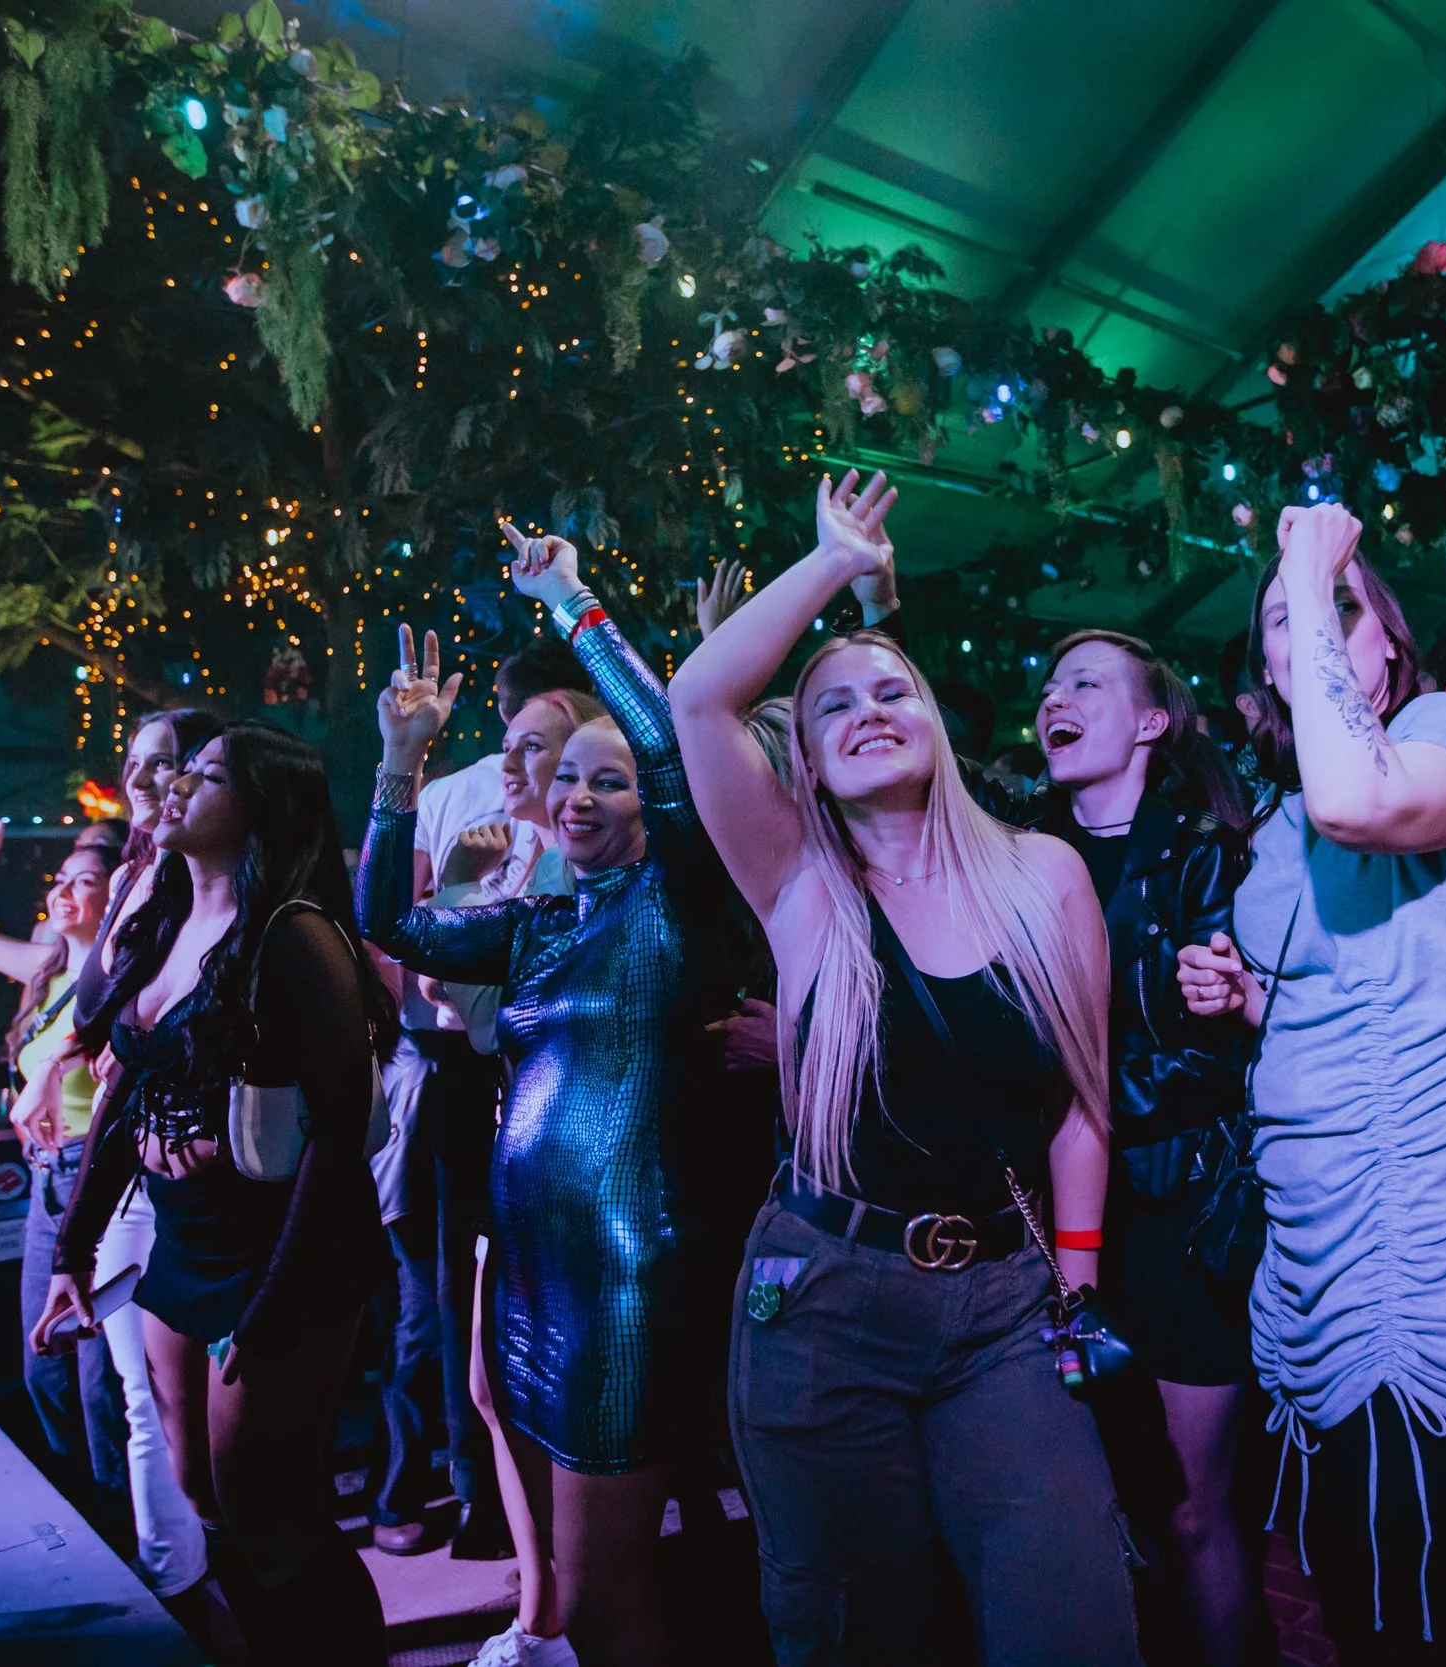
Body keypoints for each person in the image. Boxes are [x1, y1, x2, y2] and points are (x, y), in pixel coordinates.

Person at [669, 471, 1143, 1666]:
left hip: (1002, 1309)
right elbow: (696, 699)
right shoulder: (799, 882)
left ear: (933, 726)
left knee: (1073, 1613)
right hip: (825, 1300)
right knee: (853, 1633)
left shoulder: (1044, 874)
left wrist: (1074, 1286)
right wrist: (834, 562)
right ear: (810, 764)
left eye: (893, 691)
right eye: (833, 707)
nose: (868, 709)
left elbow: (1081, 1106)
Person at [359, 520, 744, 1667]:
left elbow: (674, 747)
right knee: (571, 1588)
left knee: (611, 1605)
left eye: (607, 779)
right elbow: (389, 919)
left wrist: (572, 601)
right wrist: (400, 767)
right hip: (526, 1263)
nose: (576, 796)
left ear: (647, 802)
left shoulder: (673, 903)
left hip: (621, 1277)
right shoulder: (538, 923)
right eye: (565, 776)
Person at [1177, 503, 1446, 1666]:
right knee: (1354, 1598)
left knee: (1409, 1621)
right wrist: (1244, 1005)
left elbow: (1363, 797)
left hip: (1424, 1259)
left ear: (1387, 643)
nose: (1308, 626)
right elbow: (1347, 989)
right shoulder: (1283, 821)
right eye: (1286, 622)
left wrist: (1302, 559)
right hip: (1309, 1259)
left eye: (1338, 608)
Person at [39, 722, 396, 1664]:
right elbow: (117, 1085)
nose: (176, 782)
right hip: (186, 1239)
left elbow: (338, 1133)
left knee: (275, 1512)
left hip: (287, 1248)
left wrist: (275, 1308)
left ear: (260, 807)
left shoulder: (294, 935)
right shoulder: (158, 917)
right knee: (203, 1501)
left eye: (205, 773)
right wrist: (73, 1253)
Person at [1032, 628, 1263, 1665]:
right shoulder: (1014, 851)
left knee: (1187, 1510)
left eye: (1085, 681)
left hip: (1174, 1222)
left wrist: (1077, 1107)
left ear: (1151, 721)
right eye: (1048, 684)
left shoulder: (1205, 854)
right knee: (1085, 1512)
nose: (1054, 697)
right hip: (1038, 1232)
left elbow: (1223, 1064)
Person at [374, 637, 599, 1561]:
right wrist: (399, 765)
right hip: (490, 1101)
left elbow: (465, 983)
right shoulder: (484, 839)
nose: (505, 763)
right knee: (480, 1357)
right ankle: (528, 1560)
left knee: (577, 1364)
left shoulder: (614, 867)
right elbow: (418, 954)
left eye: (532, 748)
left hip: (586, 1124)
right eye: (507, 746)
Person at [66, 709, 222, 1623]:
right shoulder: (138, 876)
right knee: (147, 1398)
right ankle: (177, 1578)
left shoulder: (203, 884)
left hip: (192, 1172)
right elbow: (94, 1009)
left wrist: (135, 1044)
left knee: (200, 1410)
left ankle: (208, 1574)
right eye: (134, 763)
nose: (144, 779)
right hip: (128, 1166)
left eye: (165, 764)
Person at [0, 827, 132, 1540]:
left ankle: (119, 1524)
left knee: (98, 1381)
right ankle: (74, 1510)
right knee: (42, 1365)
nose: (60, 889)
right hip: (46, 1182)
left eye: (82, 879)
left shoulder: (126, 968)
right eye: (58, 876)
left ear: (116, 890)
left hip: (106, 1177)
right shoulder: (45, 964)